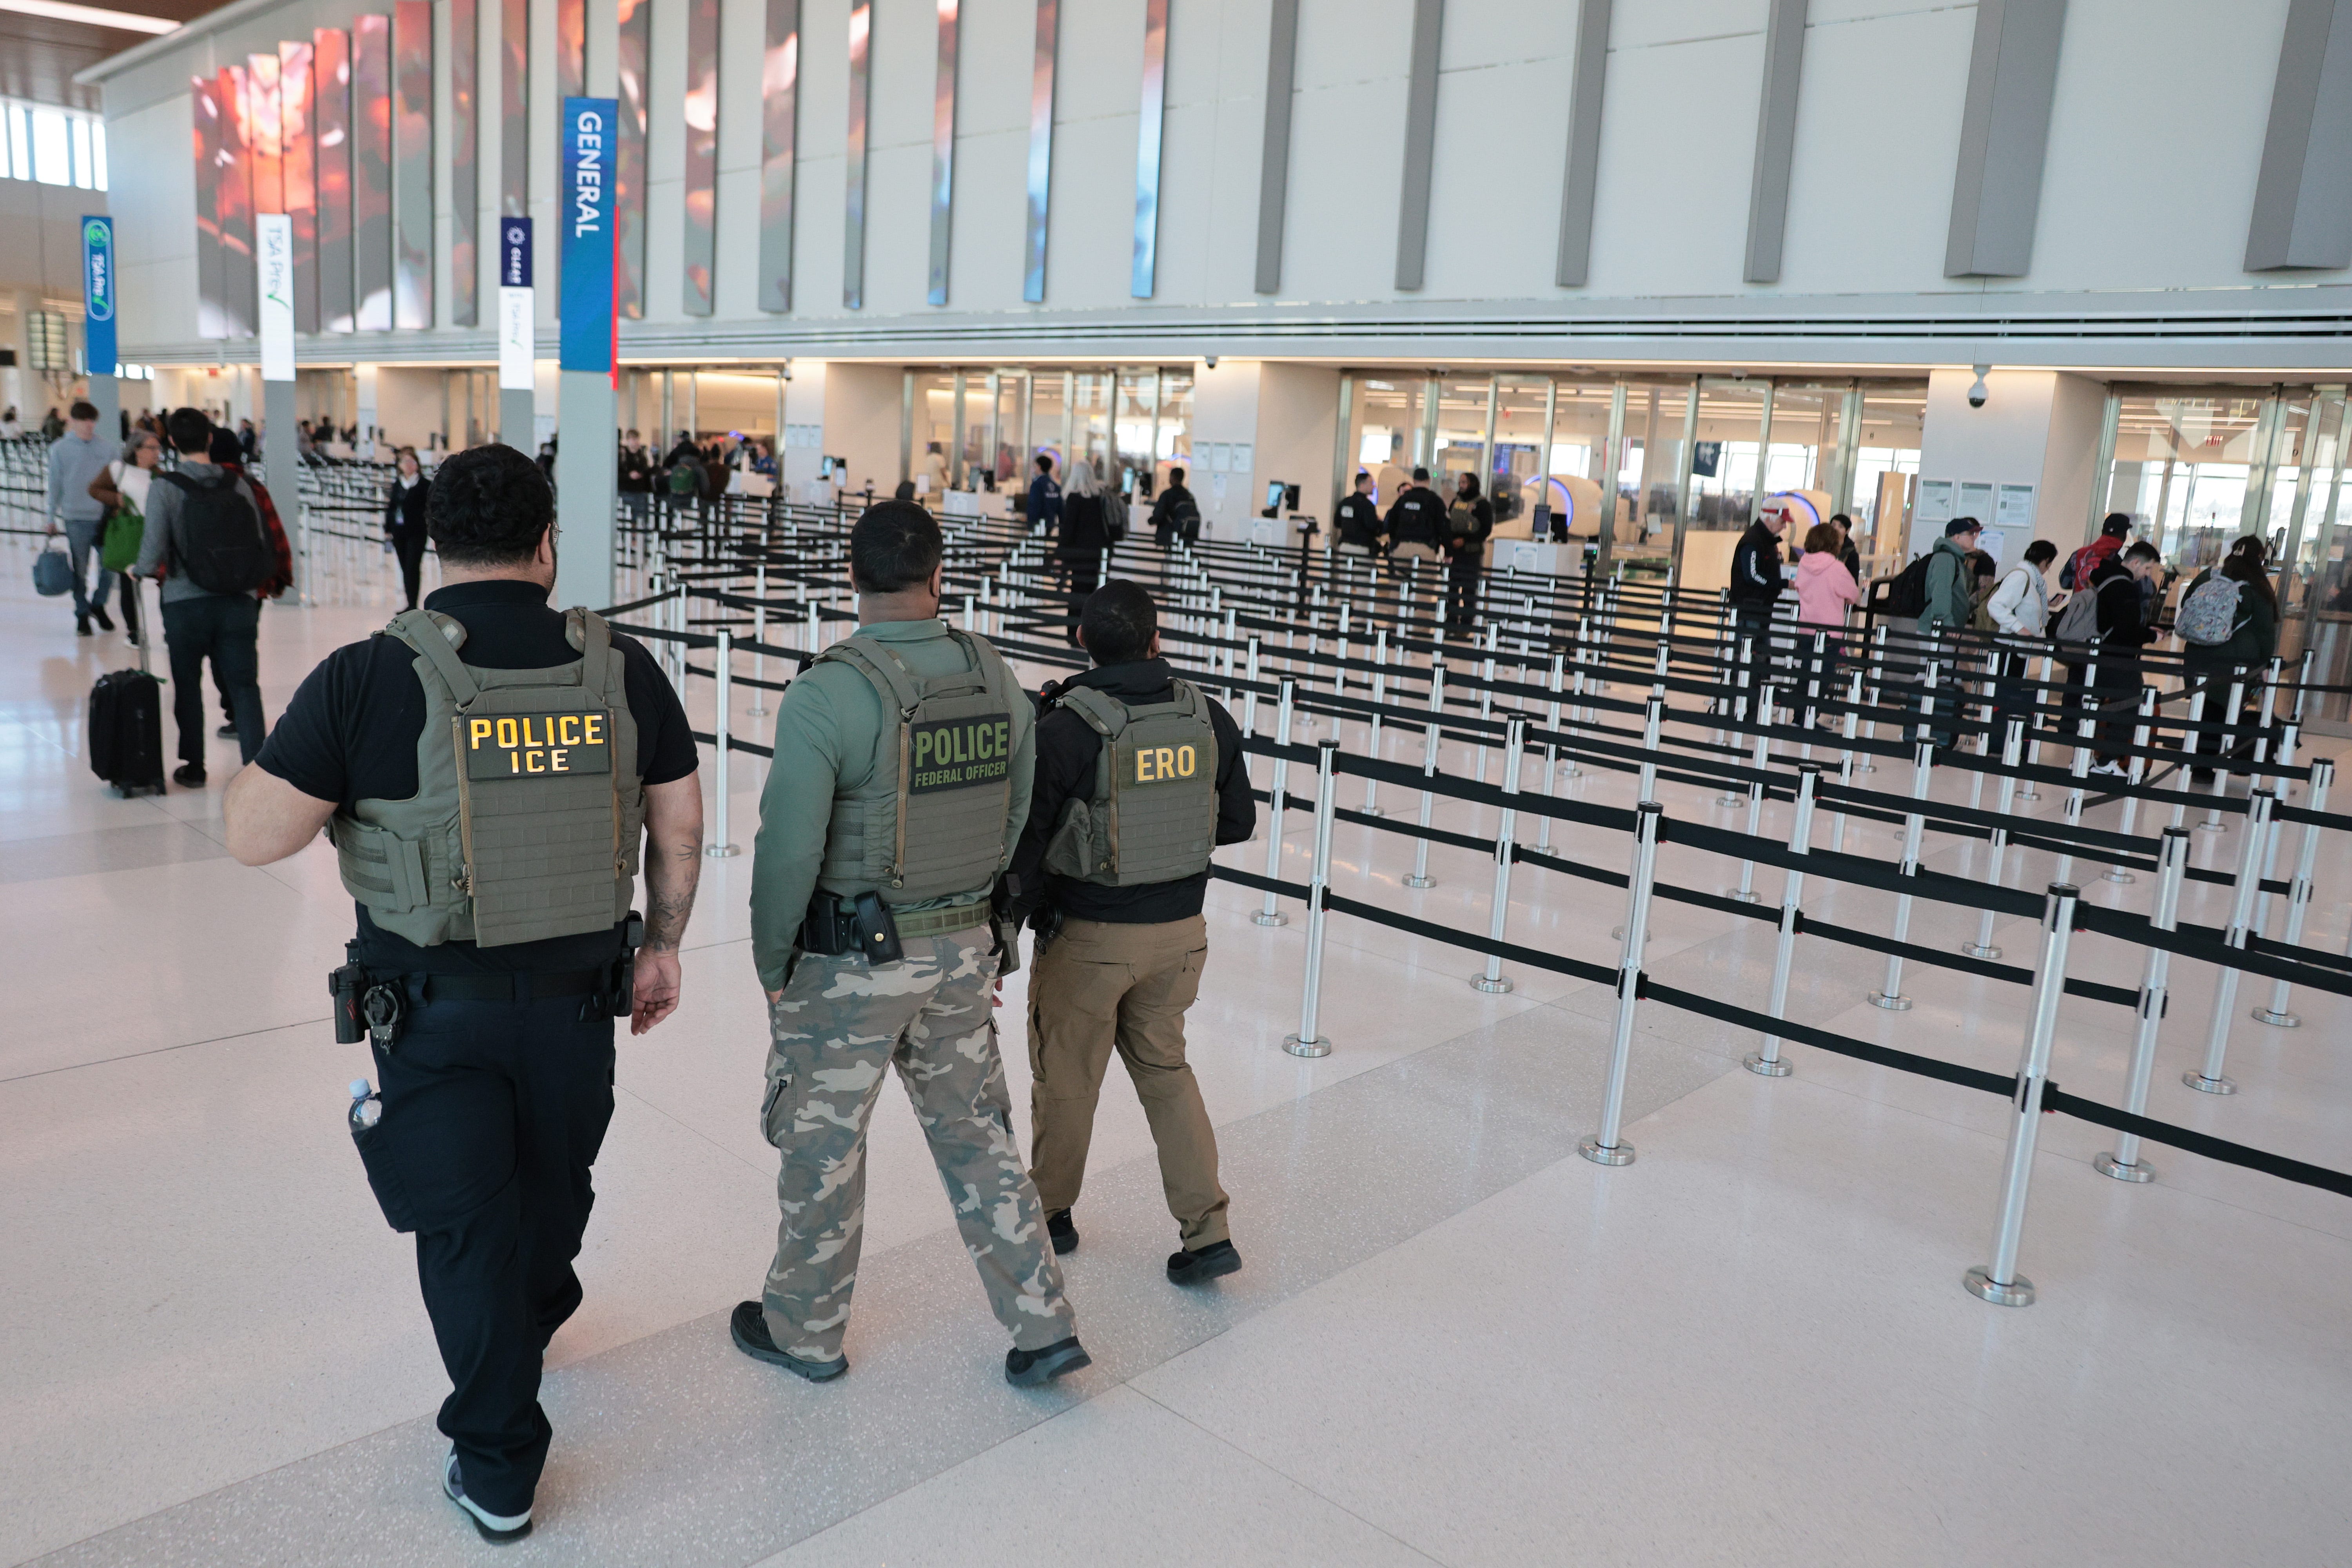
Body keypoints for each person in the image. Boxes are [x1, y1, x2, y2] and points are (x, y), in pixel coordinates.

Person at [219, 443, 703, 1544]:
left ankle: (496, 1465)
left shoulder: (368, 675)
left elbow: (256, 837)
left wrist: (270, 759)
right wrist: (661, 947)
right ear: (548, 547)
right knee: (557, 1174)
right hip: (583, 1001)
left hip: (433, 1010)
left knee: (465, 1222)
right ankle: (535, 1308)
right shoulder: (622, 667)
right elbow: (678, 825)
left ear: (435, 545)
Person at [737, 499, 1087, 1390]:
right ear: (939, 578)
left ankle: (807, 1331)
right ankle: (1042, 1322)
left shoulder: (829, 692)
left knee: (823, 1147)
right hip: (962, 947)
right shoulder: (993, 676)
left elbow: (789, 846)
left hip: (847, 965)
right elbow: (1017, 817)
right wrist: (991, 933)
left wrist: (773, 962)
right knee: (980, 1137)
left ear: (853, 582)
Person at [1007, 580, 1255, 1281]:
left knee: (1067, 1082)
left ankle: (1051, 1214)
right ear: (1158, 637)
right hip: (1179, 938)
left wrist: (1003, 940)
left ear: (1081, 641)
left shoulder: (1066, 728)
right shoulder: (1206, 715)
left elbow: (1026, 852)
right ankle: (1208, 1233)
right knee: (1167, 1074)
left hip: (1089, 942)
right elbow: (1237, 822)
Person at [132, 409, 289, 786]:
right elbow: (260, 541)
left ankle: (195, 767)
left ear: (171, 442)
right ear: (209, 440)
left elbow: (152, 552)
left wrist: (138, 570)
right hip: (238, 601)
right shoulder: (240, 485)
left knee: (187, 684)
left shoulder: (165, 487)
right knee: (244, 684)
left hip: (185, 603)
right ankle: (256, 767)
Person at [2178, 535, 2281, 773]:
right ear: (2259, 558)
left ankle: (2194, 758)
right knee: (2222, 713)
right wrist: (2265, 663)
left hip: (2197, 653)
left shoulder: (2209, 575)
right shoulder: (2257, 586)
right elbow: (2265, 631)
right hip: (2234, 660)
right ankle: (2206, 766)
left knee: (2201, 709)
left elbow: (2187, 602)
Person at [2080, 539, 2162, 774]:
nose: (2147, 575)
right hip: (2118, 657)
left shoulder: (2103, 576)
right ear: (2135, 562)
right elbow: (2126, 629)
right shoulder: (2124, 586)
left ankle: (2085, 758)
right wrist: (2151, 636)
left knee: (2094, 708)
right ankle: (2107, 762)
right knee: (2129, 703)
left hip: (2099, 652)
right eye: (2147, 569)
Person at [46, 397, 120, 635]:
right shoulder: (60, 449)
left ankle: (98, 605)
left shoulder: (108, 449)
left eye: (92, 421)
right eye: (83, 421)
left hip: (104, 519)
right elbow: (55, 484)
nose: (88, 425)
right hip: (75, 518)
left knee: (110, 568)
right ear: (73, 422)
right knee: (80, 570)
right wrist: (50, 517)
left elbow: (117, 482)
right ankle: (81, 613)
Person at [88, 427, 162, 648]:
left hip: (153, 534)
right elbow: (94, 489)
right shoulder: (117, 470)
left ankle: (167, 630)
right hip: (127, 534)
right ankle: (134, 631)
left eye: (159, 448)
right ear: (137, 450)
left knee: (164, 582)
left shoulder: (160, 476)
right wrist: (117, 500)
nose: (157, 453)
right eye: (152, 448)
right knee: (128, 584)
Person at [1985, 539, 2058, 730]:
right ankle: (1997, 738)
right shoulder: (2022, 577)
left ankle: (2003, 737)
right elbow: (1995, 605)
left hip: (2017, 649)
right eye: (2049, 565)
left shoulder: (2032, 580)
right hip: (2008, 647)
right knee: (2004, 697)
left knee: (2008, 696)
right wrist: (2020, 629)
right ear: (2045, 562)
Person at [1725, 503, 1789, 714]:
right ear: (1770, 518)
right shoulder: (1753, 541)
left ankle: (1751, 706)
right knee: (1747, 659)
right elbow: (1751, 576)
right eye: (1782, 521)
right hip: (1749, 610)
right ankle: (1740, 708)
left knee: (1760, 658)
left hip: (1761, 610)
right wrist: (1780, 584)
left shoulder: (1766, 541)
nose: (1784, 527)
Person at [1058, 459, 1111, 644]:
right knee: (1093, 593)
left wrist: (1061, 556)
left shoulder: (1074, 498)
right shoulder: (1100, 497)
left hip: (1079, 555)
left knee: (1077, 594)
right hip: (1098, 554)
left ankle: (1075, 635)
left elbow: (1069, 530)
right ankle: (1091, 635)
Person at [1441, 471, 1494, 634]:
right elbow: (1448, 523)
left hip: (1471, 554)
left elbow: (1485, 531)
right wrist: (1450, 544)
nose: (1462, 485)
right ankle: (1451, 623)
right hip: (1456, 553)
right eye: (1461, 482)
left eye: (1465, 482)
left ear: (1472, 484)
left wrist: (1465, 540)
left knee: (1469, 590)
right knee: (1453, 589)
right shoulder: (1456, 502)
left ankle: (1466, 625)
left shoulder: (1483, 504)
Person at [384, 446, 433, 611]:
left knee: (413, 566)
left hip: (417, 532)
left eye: (411, 462)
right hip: (399, 531)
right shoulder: (398, 484)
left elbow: (429, 509)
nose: (408, 465)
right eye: (405, 462)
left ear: (417, 465)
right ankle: (409, 602)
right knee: (405, 567)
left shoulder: (425, 485)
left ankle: (413, 604)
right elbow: (392, 507)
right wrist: (388, 528)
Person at [1916, 517, 1982, 637]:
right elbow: (1941, 591)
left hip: (1944, 630)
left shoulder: (1954, 558)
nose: (1974, 537)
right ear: (1957, 537)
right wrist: (1948, 623)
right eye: (1970, 534)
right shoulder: (1946, 559)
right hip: (1938, 631)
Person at [1793, 521, 1859, 627]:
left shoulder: (1803, 564)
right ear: (1834, 544)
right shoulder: (1837, 568)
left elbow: (1799, 587)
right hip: (1830, 631)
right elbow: (1853, 594)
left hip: (1805, 627)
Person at [1384, 466, 1444, 569]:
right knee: (1424, 583)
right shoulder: (1434, 500)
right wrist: (1448, 552)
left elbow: (1391, 523)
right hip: (1426, 549)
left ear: (1414, 480)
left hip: (1402, 547)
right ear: (1429, 480)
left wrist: (1395, 543)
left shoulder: (1403, 499)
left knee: (1400, 582)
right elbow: (1443, 526)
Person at [1333, 470, 1385, 558]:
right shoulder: (1367, 505)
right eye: (1371, 483)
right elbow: (1372, 526)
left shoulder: (1345, 502)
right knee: (1363, 572)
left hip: (1344, 547)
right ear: (1362, 485)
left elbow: (1337, 523)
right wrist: (1380, 523)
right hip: (1362, 549)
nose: (1374, 486)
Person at [1148, 466, 1199, 548]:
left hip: (1170, 535)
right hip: (1188, 535)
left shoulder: (1167, 495)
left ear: (1172, 477)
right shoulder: (1189, 496)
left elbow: (1159, 515)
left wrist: (1151, 521)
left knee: (1170, 557)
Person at [1027, 452, 1063, 536]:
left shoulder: (1037, 485)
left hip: (1038, 523)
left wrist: (1031, 523)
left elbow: (1034, 505)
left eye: (1035, 466)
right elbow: (1061, 508)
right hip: (1051, 523)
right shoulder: (1055, 486)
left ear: (1039, 467)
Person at [1826, 511, 1864, 582]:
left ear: (1848, 530)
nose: (1836, 529)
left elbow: (1853, 581)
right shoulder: (1824, 547)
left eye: (1841, 527)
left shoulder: (1852, 554)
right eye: (1833, 525)